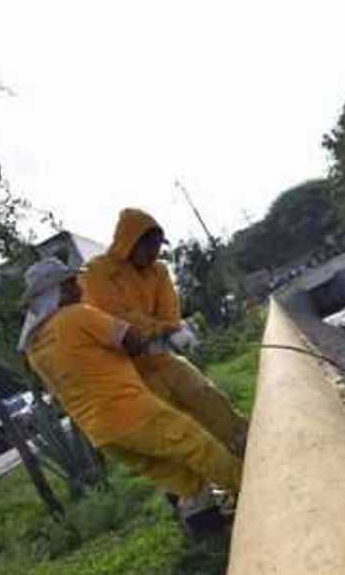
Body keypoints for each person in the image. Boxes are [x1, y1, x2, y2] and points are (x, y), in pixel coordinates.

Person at [20, 258, 241, 515]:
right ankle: (254, 488)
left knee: (177, 477)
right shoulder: (75, 316)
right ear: (59, 291)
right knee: (195, 443)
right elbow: (131, 340)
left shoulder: (34, 347)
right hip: (130, 412)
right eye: (72, 284)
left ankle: (206, 525)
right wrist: (163, 333)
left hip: (102, 435)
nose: (79, 289)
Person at [80, 208, 249, 456]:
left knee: (205, 395)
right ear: (130, 243)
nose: (155, 253)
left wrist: (163, 330)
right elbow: (115, 316)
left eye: (158, 247)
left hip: (161, 356)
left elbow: (170, 314)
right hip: (131, 369)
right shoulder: (97, 273)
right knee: (172, 425)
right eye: (149, 247)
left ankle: (245, 446)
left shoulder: (158, 270)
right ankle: (203, 482)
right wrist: (157, 330)